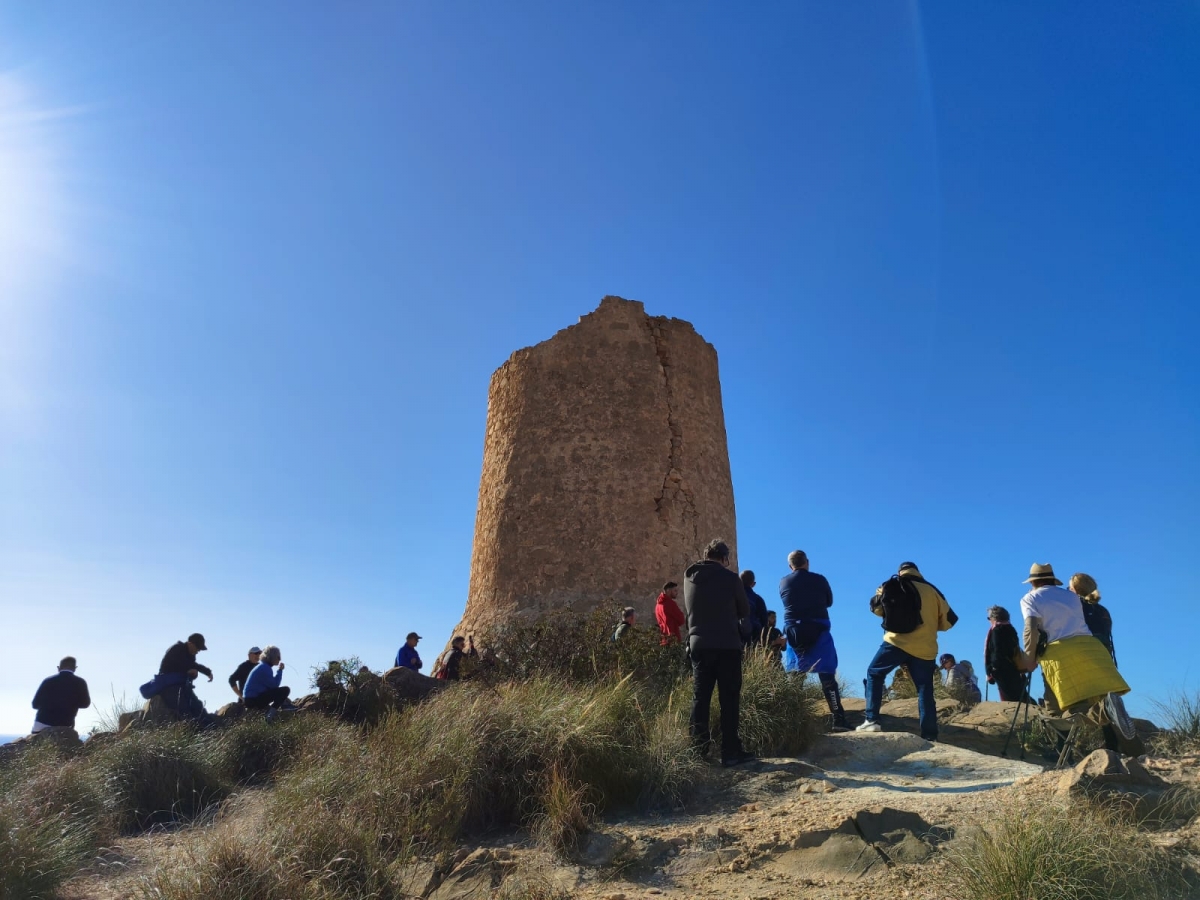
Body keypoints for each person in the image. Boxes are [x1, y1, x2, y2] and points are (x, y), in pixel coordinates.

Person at [1019, 563, 1129, 745]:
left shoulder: (1030, 598)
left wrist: (1030, 659)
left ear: (1033, 582)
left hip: (1060, 654)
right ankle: (1120, 746)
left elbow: (1030, 629)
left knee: (1056, 710)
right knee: (1095, 699)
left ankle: (1062, 752)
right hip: (1093, 650)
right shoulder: (1072, 598)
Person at [859, 562, 958, 741]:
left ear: (900, 572)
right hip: (925, 648)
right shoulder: (933, 591)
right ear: (918, 572)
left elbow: (877, 609)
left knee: (875, 673)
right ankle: (929, 735)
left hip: (896, 642)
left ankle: (872, 720)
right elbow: (948, 622)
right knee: (924, 689)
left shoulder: (890, 585)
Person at [685, 538, 754, 767]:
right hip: (726, 645)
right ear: (724, 558)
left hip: (699, 644)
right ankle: (730, 752)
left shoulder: (689, 578)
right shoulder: (731, 578)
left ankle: (698, 751)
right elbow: (744, 609)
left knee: (700, 699)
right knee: (729, 700)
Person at [779, 550, 847, 730]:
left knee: (794, 679)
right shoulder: (819, 579)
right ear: (807, 562)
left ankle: (791, 722)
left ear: (790, 565)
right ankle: (838, 719)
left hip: (794, 632)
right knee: (827, 677)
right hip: (819, 629)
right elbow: (829, 601)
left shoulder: (784, 581)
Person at [156, 633, 214, 720]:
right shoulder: (176, 649)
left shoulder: (190, 655)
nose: (198, 651)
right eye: (197, 648)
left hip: (182, 687)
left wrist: (207, 672)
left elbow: (193, 666)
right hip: (168, 687)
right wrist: (188, 670)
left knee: (199, 708)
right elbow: (174, 666)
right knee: (185, 713)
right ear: (190, 643)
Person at [31, 657, 91, 733]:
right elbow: (85, 704)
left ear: (58, 668)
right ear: (75, 668)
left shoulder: (48, 681)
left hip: (42, 724)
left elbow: (35, 704)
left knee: (36, 742)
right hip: (65, 725)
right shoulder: (80, 682)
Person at [1071, 573, 1116, 666]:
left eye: (1069, 588)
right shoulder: (1102, 611)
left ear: (1074, 590)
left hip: (1080, 659)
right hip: (1104, 660)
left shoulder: (1073, 608)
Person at [983, 605, 1027, 701]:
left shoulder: (997, 630)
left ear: (994, 618)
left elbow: (996, 649)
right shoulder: (1011, 628)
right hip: (1013, 667)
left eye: (989, 618)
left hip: (1002, 669)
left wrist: (992, 668)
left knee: (1008, 697)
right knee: (1019, 694)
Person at [243, 645, 293, 713]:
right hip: (253, 700)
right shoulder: (265, 668)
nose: (280, 659)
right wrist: (280, 670)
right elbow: (274, 685)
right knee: (285, 690)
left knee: (278, 692)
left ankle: (281, 706)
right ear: (272, 657)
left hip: (250, 699)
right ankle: (270, 715)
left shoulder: (263, 666)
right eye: (278, 657)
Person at [740, 570, 768, 644]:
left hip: (735, 636)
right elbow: (764, 621)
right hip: (753, 634)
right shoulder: (758, 599)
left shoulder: (733, 597)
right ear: (753, 584)